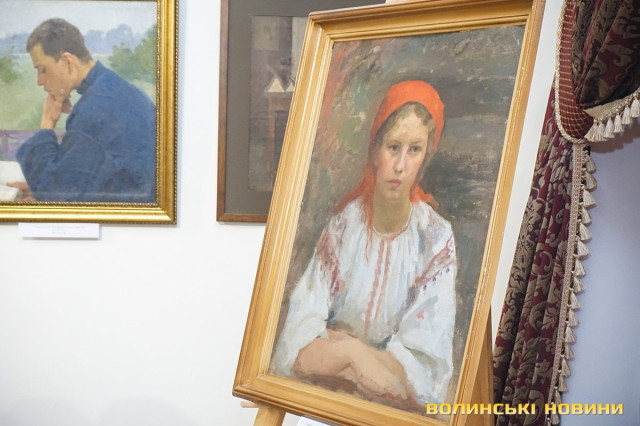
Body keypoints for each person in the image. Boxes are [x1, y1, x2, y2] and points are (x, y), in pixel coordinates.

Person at [270, 80, 457, 413]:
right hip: (325, 407)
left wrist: (345, 347)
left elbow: (425, 382)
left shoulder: (435, 239)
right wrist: (356, 356)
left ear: (426, 156)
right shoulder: (344, 227)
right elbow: (295, 348)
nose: (400, 165)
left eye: (414, 150)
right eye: (393, 147)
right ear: (375, 150)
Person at [10, 18, 156, 203]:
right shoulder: (114, 87)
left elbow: (57, 194)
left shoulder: (92, 110)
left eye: (43, 69)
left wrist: (47, 124)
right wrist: (38, 189)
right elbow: (92, 177)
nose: (39, 81)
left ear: (68, 61)